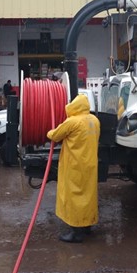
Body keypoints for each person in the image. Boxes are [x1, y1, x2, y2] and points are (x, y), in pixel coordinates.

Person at [46, 94, 100, 243]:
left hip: (75, 166)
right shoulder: (95, 121)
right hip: (90, 164)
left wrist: (49, 131)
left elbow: (55, 135)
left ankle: (76, 232)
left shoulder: (72, 122)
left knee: (74, 196)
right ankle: (87, 225)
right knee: (88, 195)